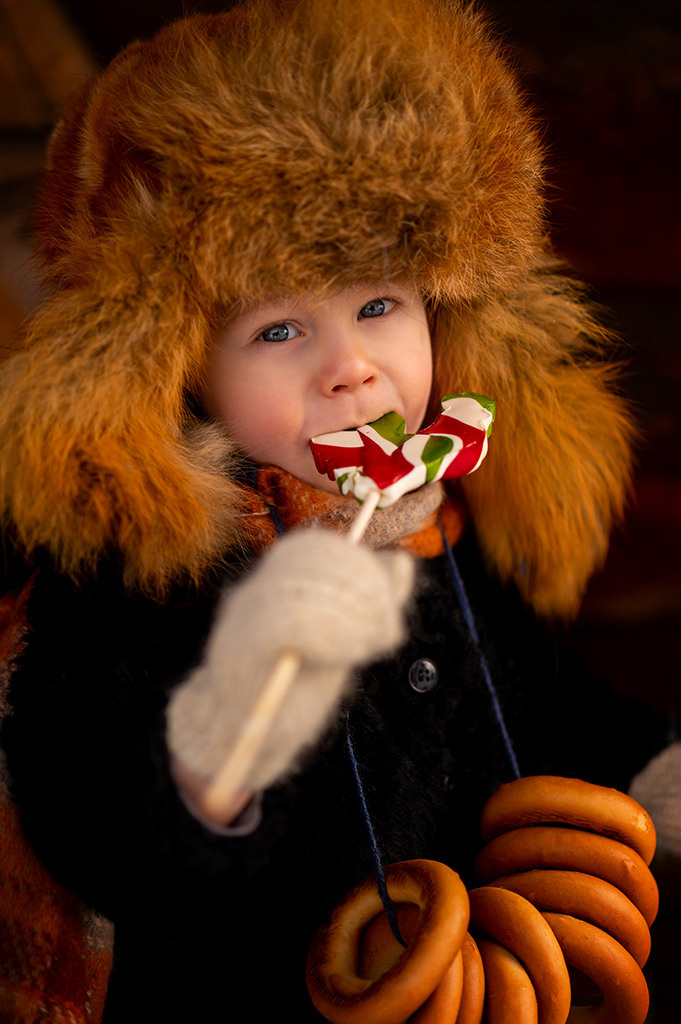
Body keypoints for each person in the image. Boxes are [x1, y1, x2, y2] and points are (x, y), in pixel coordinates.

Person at [0, 0, 676, 1019]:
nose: (351, 368)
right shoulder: (145, 572)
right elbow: (93, 808)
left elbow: (539, 694)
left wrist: (653, 772)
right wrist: (231, 721)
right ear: (175, 367)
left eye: (377, 306)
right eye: (279, 329)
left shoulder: (435, 514)